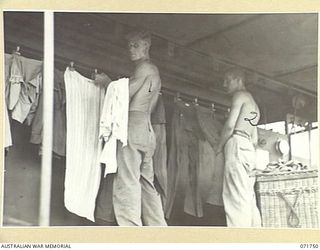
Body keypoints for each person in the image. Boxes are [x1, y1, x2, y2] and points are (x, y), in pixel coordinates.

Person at [95, 30, 167, 226]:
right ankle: (159, 229)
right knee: (146, 183)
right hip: (147, 129)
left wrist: (106, 82)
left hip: (134, 124)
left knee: (127, 180)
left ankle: (130, 230)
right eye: (129, 45)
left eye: (136, 45)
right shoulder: (154, 72)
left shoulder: (144, 68)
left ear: (147, 46)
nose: (131, 49)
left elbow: (124, 95)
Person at [216, 68, 261, 227]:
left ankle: (239, 240)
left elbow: (229, 126)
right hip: (248, 147)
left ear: (238, 80)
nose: (224, 84)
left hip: (236, 142)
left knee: (235, 197)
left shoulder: (239, 96)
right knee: (248, 197)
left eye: (228, 80)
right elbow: (255, 139)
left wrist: (219, 147)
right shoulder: (254, 105)